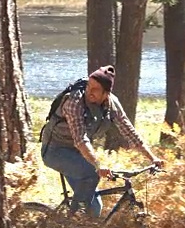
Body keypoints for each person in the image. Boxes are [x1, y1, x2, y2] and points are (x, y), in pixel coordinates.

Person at [40, 65, 165, 218]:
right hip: (55, 150)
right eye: (88, 86)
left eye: (95, 89)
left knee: (94, 208)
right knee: (91, 174)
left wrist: (152, 158)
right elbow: (81, 139)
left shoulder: (112, 104)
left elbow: (129, 132)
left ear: (106, 94)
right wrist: (98, 164)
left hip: (78, 154)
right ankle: (68, 226)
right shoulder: (74, 101)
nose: (89, 92)